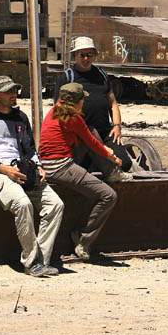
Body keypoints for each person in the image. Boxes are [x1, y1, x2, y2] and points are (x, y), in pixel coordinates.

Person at [0, 75, 64, 277]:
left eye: (15, 91)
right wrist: (3, 169)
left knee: (55, 204)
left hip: (22, 169)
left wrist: (38, 166)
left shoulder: (21, 117)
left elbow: (29, 148)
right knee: (23, 204)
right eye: (9, 92)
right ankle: (31, 262)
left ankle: (42, 258)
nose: (14, 95)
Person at [40, 82, 122, 261]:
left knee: (89, 133)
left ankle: (109, 171)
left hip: (47, 163)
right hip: (61, 167)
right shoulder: (73, 117)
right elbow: (92, 142)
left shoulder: (54, 111)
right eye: (83, 99)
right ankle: (83, 240)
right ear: (77, 102)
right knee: (109, 196)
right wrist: (113, 158)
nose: (84, 103)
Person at [53, 36, 133, 182]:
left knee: (125, 163)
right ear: (75, 56)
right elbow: (58, 110)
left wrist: (117, 126)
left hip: (104, 132)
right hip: (80, 137)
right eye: (81, 55)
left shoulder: (101, 75)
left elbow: (113, 103)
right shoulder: (67, 77)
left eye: (89, 55)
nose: (85, 58)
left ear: (94, 55)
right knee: (83, 169)